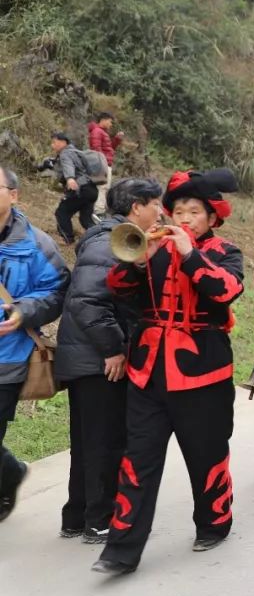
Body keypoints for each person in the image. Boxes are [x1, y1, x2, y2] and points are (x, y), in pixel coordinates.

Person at [93, 169, 243, 576]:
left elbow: (227, 291)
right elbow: (117, 289)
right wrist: (139, 264)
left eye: (195, 213)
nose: (185, 219)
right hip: (148, 370)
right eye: (178, 211)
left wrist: (191, 254)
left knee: (206, 453)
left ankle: (214, 522)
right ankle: (120, 550)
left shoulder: (225, 251)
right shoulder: (152, 248)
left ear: (212, 219)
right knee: (138, 459)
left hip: (203, 371)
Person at [55, 178, 162, 543]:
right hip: (97, 359)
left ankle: (76, 515)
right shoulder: (110, 242)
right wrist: (114, 348)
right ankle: (99, 519)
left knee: (89, 440)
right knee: (105, 440)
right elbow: (87, 302)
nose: (159, 213)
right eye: (155, 205)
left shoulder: (108, 236)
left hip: (86, 357)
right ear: (136, 207)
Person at [0, 165, 70, 523]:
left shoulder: (36, 244)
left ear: (14, 195)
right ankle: (9, 470)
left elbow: (58, 292)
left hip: (8, 359)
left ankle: (7, 471)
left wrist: (23, 312)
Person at [50, 132, 99, 244]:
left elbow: (68, 166)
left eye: (54, 142)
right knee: (86, 219)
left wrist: (70, 178)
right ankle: (101, 237)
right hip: (91, 189)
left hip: (80, 189)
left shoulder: (65, 153)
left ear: (63, 142)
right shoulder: (77, 152)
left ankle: (67, 238)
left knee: (62, 212)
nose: (52, 145)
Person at [87, 112, 124, 215]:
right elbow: (96, 149)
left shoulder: (102, 132)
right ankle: (98, 212)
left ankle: (98, 211)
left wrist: (116, 139)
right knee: (102, 188)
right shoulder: (97, 132)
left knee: (104, 188)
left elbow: (109, 148)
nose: (111, 124)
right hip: (102, 164)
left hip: (104, 163)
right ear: (103, 119)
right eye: (110, 122)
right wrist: (101, 163)